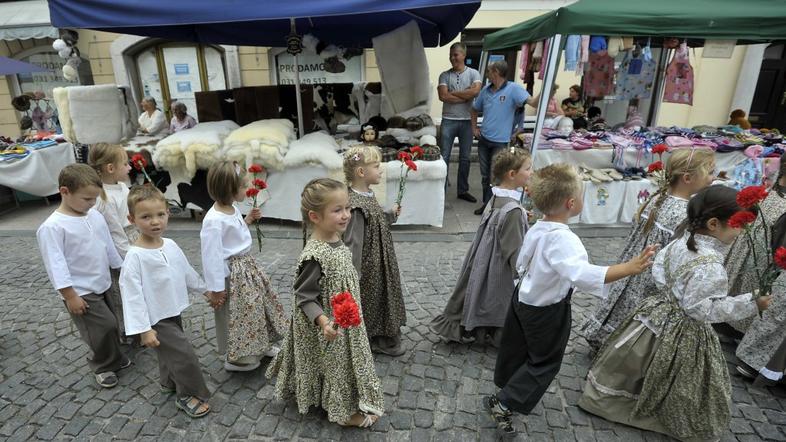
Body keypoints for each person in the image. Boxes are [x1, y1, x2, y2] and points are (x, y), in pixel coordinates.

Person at [578, 185, 771, 442]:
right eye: (738, 225)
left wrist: (674, 297)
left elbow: (660, 271)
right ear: (714, 224)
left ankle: (616, 399)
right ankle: (662, 413)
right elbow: (703, 309)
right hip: (685, 329)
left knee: (644, 360)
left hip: (656, 315)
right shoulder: (711, 267)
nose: (741, 232)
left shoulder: (681, 241)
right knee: (677, 373)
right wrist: (751, 302)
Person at [484, 163, 656, 438]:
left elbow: (522, 261)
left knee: (517, 346)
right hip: (547, 309)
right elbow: (583, 275)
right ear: (571, 203)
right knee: (546, 361)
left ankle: (509, 383)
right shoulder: (564, 239)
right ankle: (505, 402)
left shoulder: (539, 227)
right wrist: (628, 268)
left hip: (523, 298)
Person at [266, 178, 385, 428]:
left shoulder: (336, 240)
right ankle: (343, 413)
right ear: (315, 216)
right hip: (328, 326)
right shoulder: (315, 255)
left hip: (346, 322)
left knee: (343, 363)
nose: (346, 215)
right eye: (338, 210)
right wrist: (323, 322)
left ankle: (333, 398)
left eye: (347, 208)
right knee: (337, 365)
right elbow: (304, 296)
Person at [580, 149, 715, 352]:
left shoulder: (658, 199)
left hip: (633, 266)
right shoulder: (683, 213)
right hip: (650, 273)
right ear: (687, 178)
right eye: (710, 172)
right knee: (638, 309)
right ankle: (621, 350)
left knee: (622, 302)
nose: (713, 178)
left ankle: (605, 340)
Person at [119, 185, 211, 418]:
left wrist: (204, 290)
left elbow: (185, 270)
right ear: (132, 219)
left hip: (173, 309)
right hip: (156, 317)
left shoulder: (170, 245)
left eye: (160, 214)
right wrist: (144, 329)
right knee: (184, 355)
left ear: (168, 213)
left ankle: (168, 382)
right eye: (146, 217)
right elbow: (131, 296)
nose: (155, 221)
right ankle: (187, 394)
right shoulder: (134, 257)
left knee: (168, 352)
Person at [36, 164, 130, 389]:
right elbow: (55, 265)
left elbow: (107, 245)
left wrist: (121, 269)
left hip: (102, 282)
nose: (92, 203)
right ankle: (102, 366)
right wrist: (70, 295)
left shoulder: (94, 215)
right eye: (87, 199)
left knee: (112, 324)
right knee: (102, 328)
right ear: (64, 192)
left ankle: (115, 357)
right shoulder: (52, 227)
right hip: (80, 290)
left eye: (95, 198)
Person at [430, 147, 531, 346]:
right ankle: (497, 333)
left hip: (483, 258)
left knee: (477, 290)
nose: (532, 173)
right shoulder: (513, 210)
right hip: (498, 264)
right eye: (528, 169)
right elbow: (514, 250)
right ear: (512, 174)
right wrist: (523, 276)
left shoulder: (496, 198)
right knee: (497, 296)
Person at [201, 161, 287, 372]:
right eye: (243, 186)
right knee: (239, 314)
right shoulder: (213, 220)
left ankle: (261, 345)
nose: (248, 189)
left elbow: (234, 234)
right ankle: (238, 359)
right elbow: (211, 257)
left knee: (257, 307)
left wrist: (246, 220)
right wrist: (216, 289)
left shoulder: (231, 208)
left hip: (247, 269)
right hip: (233, 276)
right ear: (229, 190)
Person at [343, 145, 406, 356]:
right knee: (371, 300)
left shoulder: (367, 194)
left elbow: (375, 220)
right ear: (361, 172)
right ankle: (370, 338)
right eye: (377, 166)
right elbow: (353, 243)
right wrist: (353, 275)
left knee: (381, 298)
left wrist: (389, 214)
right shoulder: (355, 206)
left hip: (380, 260)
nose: (381, 170)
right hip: (369, 266)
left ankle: (380, 335)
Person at [730, 155, 786, 380]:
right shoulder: (777, 193)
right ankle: (737, 328)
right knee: (755, 278)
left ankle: (741, 329)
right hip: (766, 242)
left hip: (770, 239)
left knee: (759, 280)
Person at [88, 143, 141, 342]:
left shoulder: (121, 187)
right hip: (122, 248)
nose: (129, 167)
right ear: (111, 168)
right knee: (123, 290)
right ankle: (127, 330)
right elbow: (116, 233)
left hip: (134, 238)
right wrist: (129, 258)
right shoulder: (105, 199)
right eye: (125, 164)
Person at [471, 60, 539, 215]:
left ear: (495, 72)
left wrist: (549, 89)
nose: (487, 74)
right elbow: (474, 109)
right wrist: (474, 128)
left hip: (500, 142)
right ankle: (487, 204)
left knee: (495, 175)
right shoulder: (486, 90)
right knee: (484, 175)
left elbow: (533, 103)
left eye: (489, 71)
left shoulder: (513, 89)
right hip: (484, 140)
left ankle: (494, 206)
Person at [438, 42, 483, 204]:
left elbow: (476, 91)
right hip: (448, 119)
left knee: (465, 158)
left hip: (467, 121)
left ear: (464, 55)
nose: (452, 58)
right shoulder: (444, 75)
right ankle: (441, 190)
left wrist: (455, 93)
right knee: (444, 157)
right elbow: (443, 96)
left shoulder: (474, 73)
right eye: (451, 55)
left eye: (455, 54)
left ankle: (462, 190)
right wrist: (466, 95)